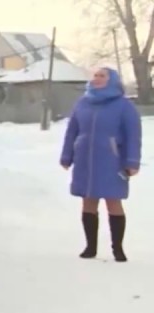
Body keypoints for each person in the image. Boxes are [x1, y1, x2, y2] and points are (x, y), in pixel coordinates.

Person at [61, 67, 142, 262]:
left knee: (113, 201)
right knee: (88, 200)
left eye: (102, 76)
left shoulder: (123, 106)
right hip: (85, 160)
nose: (97, 79)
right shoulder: (82, 103)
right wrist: (67, 156)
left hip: (112, 160)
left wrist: (132, 161)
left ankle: (118, 249)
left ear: (112, 80)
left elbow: (133, 135)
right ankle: (90, 247)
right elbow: (72, 131)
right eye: (95, 76)